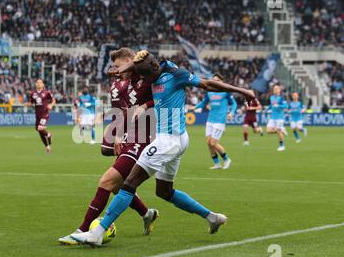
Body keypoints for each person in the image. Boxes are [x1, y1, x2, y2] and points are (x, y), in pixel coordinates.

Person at [71, 50, 255, 246]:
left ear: (150, 72)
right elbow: (131, 67)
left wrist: (243, 91)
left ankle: (97, 232)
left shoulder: (177, 75)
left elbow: (208, 84)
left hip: (169, 141)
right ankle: (212, 217)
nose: (143, 81)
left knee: (129, 183)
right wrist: (118, 71)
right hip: (177, 139)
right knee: (164, 191)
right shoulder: (154, 67)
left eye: (144, 77)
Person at [58, 48, 158, 245]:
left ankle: (83, 229)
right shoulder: (121, 84)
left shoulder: (145, 75)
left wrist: (144, 108)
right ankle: (147, 214)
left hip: (144, 138)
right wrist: (117, 132)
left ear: (130, 61)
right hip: (129, 134)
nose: (116, 71)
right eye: (114, 68)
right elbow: (120, 110)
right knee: (118, 184)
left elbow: (159, 98)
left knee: (107, 181)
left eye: (119, 66)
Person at [194, 73, 236, 170]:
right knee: (208, 143)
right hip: (210, 119)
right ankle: (217, 164)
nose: (215, 82)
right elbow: (204, 102)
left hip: (220, 119)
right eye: (214, 81)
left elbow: (233, 103)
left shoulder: (226, 91)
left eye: (217, 81)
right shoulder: (210, 91)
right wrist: (195, 107)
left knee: (213, 143)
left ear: (222, 81)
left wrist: (232, 112)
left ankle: (226, 159)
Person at [29, 79, 55, 154]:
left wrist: (51, 105)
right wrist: (28, 104)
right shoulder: (32, 93)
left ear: (43, 84)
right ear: (35, 84)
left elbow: (53, 101)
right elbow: (31, 102)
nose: (39, 84)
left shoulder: (47, 93)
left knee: (40, 128)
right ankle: (47, 147)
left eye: (40, 82)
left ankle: (48, 134)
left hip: (44, 114)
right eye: (37, 82)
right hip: (37, 115)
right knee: (39, 131)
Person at [266, 85, 288, 151]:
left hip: (279, 118)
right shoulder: (271, 97)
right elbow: (271, 105)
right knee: (268, 131)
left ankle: (282, 146)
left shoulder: (281, 98)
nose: (275, 90)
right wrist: (267, 109)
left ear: (279, 90)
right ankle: (282, 130)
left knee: (278, 132)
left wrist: (278, 105)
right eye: (274, 89)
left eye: (276, 89)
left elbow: (286, 106)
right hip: (273, 117)